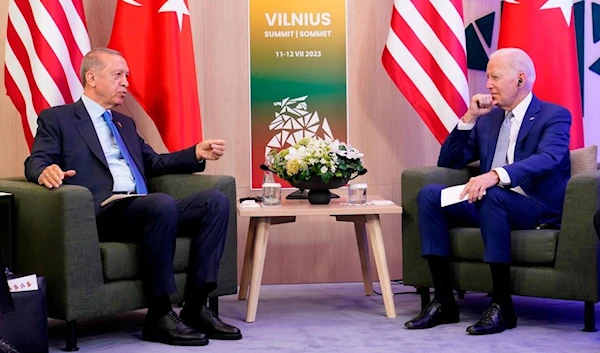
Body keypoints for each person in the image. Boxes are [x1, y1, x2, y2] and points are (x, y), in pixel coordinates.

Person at [24, 48, 241, 346]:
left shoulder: (124, 123)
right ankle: (160, 315)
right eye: (117, 75)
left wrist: (194, 154)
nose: (126, 82)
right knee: (159, 203)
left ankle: (196, 306)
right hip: (102, 211)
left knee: (214, 202)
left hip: (145, 209)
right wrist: (44, 170)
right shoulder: (58, 119)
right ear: (91, 78)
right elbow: (36, 160)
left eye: (126, 75)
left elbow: (154, 163)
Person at [404, 48, 571, 335]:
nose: (488, 84)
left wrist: (495, 175)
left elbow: (550, 157)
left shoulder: (554, 115)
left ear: (520, 80)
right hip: (487, 202)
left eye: (494, 77)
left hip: (530, 206)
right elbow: (450, 161)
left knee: (493, 195)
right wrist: (470, 116)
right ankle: (444, 301)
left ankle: (502, 306)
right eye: (488, 78)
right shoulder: (489, 120)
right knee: (430, 194)